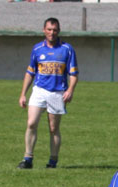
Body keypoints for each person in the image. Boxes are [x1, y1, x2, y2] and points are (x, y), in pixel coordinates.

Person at [17, 17, 79, 169]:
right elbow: (30, 72)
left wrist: (70, 90)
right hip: (39, 90)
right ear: (44, 30)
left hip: (57, 93)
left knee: (53, 128)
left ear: (59, 31)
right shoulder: (37, 49)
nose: (52, 33)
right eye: (49, 30)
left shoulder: (67, 49)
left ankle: (53, 161)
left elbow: (73, 73)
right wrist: (23, 93)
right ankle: (28, 159)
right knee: (31, 123)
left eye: (55, 30)